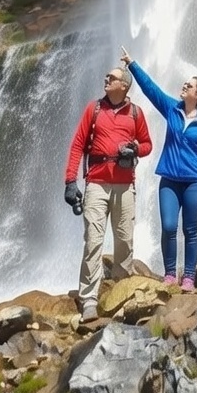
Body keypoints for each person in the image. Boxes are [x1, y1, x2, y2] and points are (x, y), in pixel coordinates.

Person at [120, 48, 197, 292]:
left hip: (195, 180)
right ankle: (171, 273)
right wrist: (132, 64)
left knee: (191, 229)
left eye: (189, 86)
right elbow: (151, 89)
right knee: (168, 227)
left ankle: (190, 277)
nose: (184, 87)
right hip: (169, 180)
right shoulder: (172, 109)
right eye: (185, 84)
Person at [64, 64, 153, 321]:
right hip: (96, 183)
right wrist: (71, 181)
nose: (106, 78)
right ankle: (89, 299)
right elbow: (78, 144)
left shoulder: (135, 113)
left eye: (111, 77)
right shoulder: (94, 109)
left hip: (125, 184)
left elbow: (147, 144)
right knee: (93, 238)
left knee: (124, 239)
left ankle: (121, 291)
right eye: (107, 76)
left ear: (124, 85)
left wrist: (135, 150)